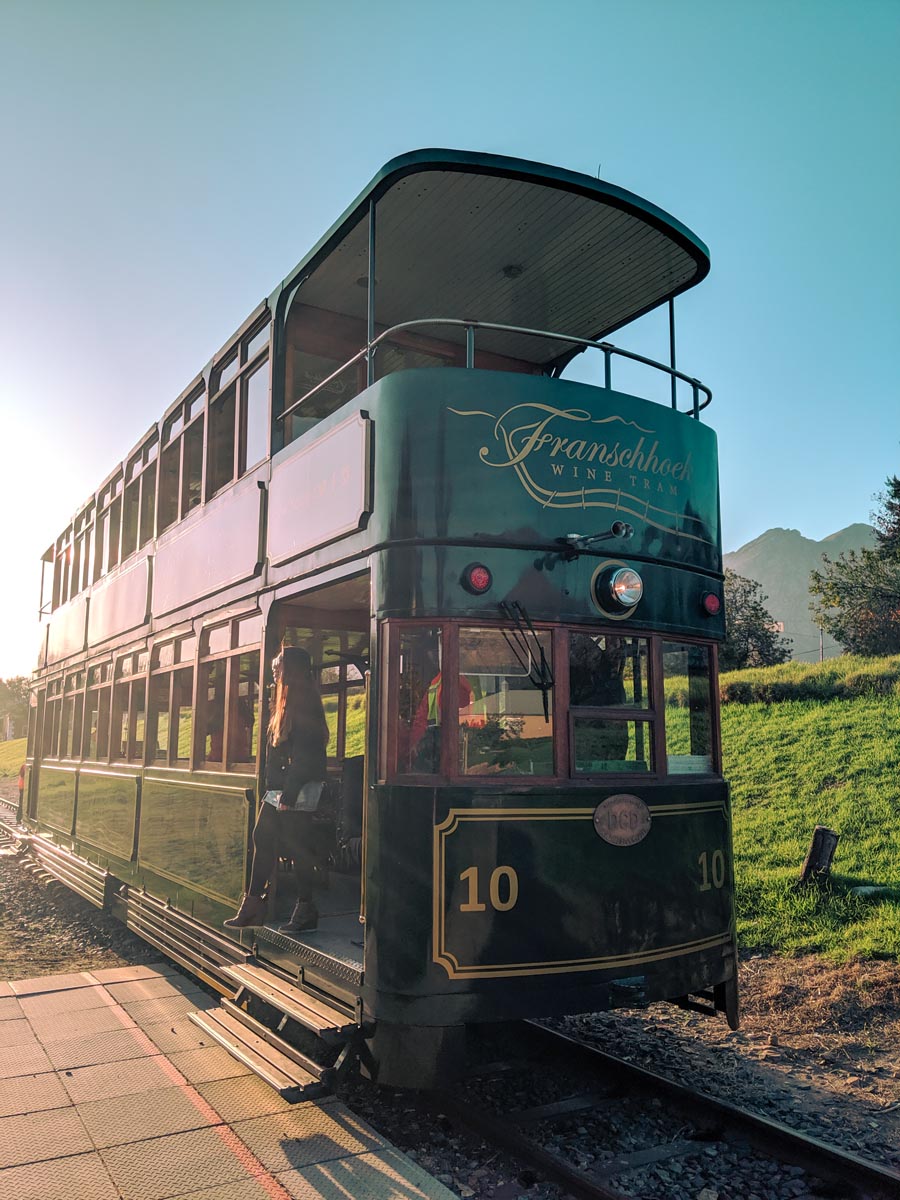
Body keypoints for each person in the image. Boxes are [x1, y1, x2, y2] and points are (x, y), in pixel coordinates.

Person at [225, 646, 328, 933]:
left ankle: (305, 909)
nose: (273, 670)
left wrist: (290, 792)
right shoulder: (286, 700)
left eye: (278, 666)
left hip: (296, 786)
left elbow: (308, 752)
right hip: (282, 786)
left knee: (297, 846)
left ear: (290, 670)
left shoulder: (303, 701)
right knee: (263, 836)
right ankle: (253, 904)